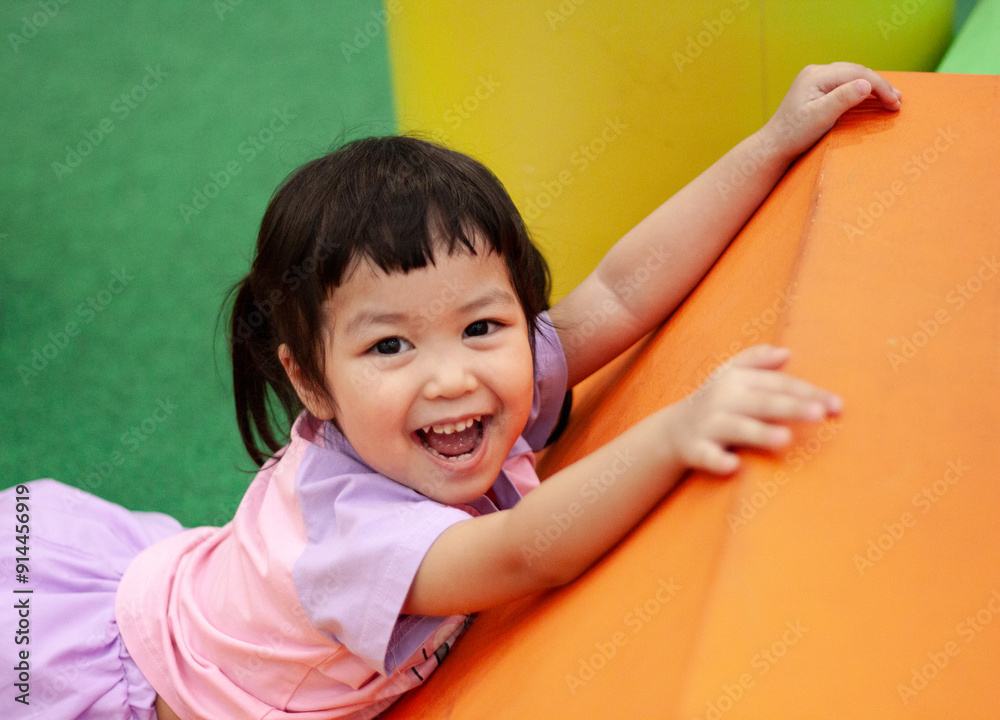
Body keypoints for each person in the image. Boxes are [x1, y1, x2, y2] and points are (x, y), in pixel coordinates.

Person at [1, 63, 901, 720]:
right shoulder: (355, 535)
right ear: (310, 380)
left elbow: (622, 293)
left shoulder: (473, 384)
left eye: (482, 325)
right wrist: (679, 427)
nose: (452, 374)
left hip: (202, 588)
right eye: (389, 344)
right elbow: (522, 555)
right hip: (126, 684)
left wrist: (775, 140)